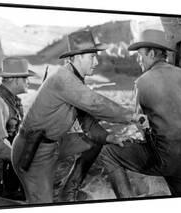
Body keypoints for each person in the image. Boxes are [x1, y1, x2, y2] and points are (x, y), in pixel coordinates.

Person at [11, 30, 144, 204]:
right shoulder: (63, 79)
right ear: (77, 57)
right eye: (91, 57)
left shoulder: (74, 79)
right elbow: (96, 103)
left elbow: (86, 120)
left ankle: (69, 191)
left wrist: (109, 137)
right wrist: (133, 117)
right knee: (41, 204)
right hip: (33, 150)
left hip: (53, 144)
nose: (96, 62)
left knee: (95, 142)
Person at [100, 29, 181, 198]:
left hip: (162, 157)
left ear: (151, 53)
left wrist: (147, 141)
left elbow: (141, 123)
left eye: (140, 55)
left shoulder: (141, 83)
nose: (138, 60)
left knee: (108, 152)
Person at [0, 57, 36, 205]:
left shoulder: (12, 100)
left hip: (4, 172)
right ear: (14, 79)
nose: (28, 81)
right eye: (25, 78)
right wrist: (24, 160)